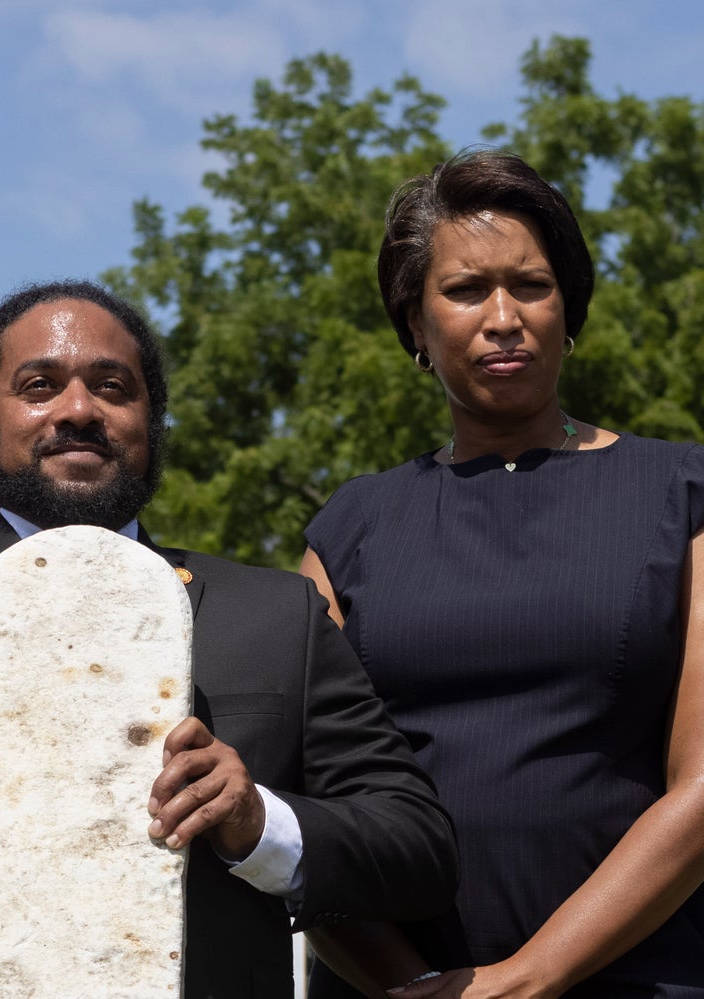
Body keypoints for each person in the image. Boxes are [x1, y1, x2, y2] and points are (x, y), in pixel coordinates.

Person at [0, 279, 456, 999]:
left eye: (113, 387)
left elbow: (419, 846)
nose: (79, 410)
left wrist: (260, 822)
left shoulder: (278, 618)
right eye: (39, 385)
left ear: (153, 424)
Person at [301, 149, 704, 998]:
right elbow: (302, 805)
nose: (503, 316)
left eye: (531, 284)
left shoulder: (683, 491)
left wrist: (525, 980)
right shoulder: (351, 528)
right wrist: (420, 987)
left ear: (570, 307)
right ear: (415, 323)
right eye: (463, 290)